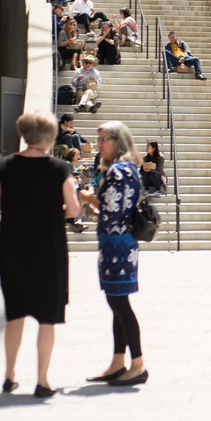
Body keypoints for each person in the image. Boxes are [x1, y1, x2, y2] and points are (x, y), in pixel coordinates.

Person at [0, 111, 81, 397]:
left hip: (13, 249)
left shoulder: (5, 165)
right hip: (49, 250)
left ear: (24, 136)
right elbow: (73, 210)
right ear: (50, 138)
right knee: (47, 318)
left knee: (15, 315)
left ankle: (9, 375)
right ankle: (42, 380)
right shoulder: (60, 168)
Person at [79, 121, 149, 387]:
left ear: (117, 142)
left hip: (116, 244)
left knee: (120, 305)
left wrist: (88, 198)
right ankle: (118, 362)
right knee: (117, 304)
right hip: (122, 242)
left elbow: (111, 209)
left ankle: (138, 364)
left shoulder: (118, 171)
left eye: (103, 139)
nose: (98, 144)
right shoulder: (128, 168)